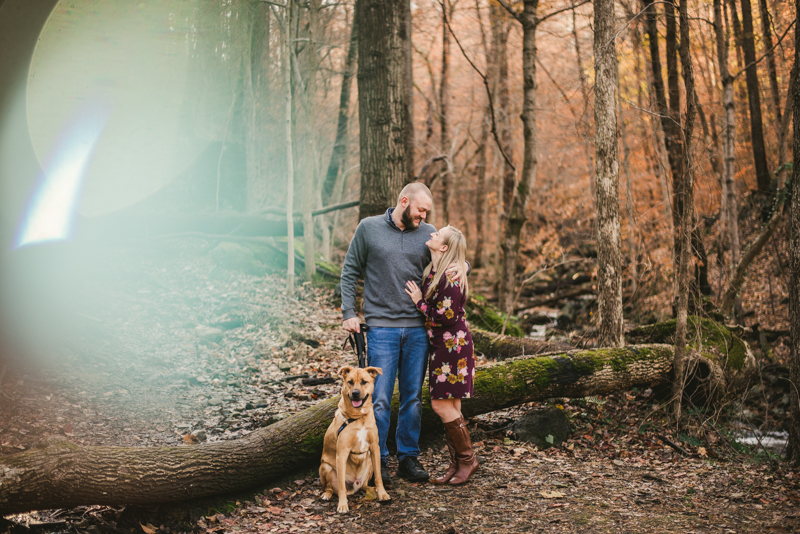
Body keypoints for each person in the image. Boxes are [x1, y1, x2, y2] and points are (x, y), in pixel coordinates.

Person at [340, 182, 437, 483]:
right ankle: (377, 459)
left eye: (426, 212)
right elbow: (349, 270)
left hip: (418, 330)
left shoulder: (429, 233)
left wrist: (463, 267)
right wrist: (348, 313)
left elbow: (453, 258)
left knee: (412, 397)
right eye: (420, 210)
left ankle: (408, 457)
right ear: (404, 201)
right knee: (379, 399)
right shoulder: (368, 229)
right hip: (381, 329)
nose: (423, 216)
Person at [404, 225, 478, 485]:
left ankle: (468, 460)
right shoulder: (435, 270)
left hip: (452, 347)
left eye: (438, 235)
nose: (432, 233)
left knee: (440, 405)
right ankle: (457, 462)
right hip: (443, 344)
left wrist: (418, 301)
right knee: (453, 406)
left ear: (444, 247)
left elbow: (445, 316)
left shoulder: (450, 276)